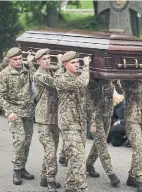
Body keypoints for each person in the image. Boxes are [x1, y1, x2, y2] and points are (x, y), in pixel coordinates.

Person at [0, 47, 36, 185]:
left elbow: (36, 79)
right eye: (15, 59)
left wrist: (30, 63)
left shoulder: (27, 69)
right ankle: (16, 169)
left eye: (20, 59)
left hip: (28, 111)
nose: (19, 62)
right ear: (9, 60)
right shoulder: (4, 75)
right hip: (14, 111)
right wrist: (9, 111)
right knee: (20, 139)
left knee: (27, 141)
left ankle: (22, 167)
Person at [55, 51, 90, 192]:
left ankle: (70, 187)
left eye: (78, 62)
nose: (77, 65)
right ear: (65, 65)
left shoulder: (77, 76)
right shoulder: (62, 80)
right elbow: (83, 83)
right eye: (73, 63)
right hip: (68, 124)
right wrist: (87, 66)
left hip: (80, 123)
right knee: (79, 158)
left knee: (74, 158)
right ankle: (82, 188)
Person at [33, 49, 64, 191]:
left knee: (51, 150)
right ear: (38, 61)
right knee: (50, 150)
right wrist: (60, 64)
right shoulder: (39, 75)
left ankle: (44, 178)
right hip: (43, 118)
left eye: (48, 58)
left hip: (54, 118)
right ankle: (51, 180)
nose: (47, 61)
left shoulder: (49, 72)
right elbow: (56, 84)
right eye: (44, 59)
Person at [86, 77, 120, 187]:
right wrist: (93, 121)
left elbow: (121, 92)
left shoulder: (109, 79)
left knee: (99, 142)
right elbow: (89, 100)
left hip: (108, 114)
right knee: (102, 145)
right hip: (96, 116)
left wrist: (116, 82)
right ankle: (111, 173)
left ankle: (89, 164)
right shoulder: (91, 79)